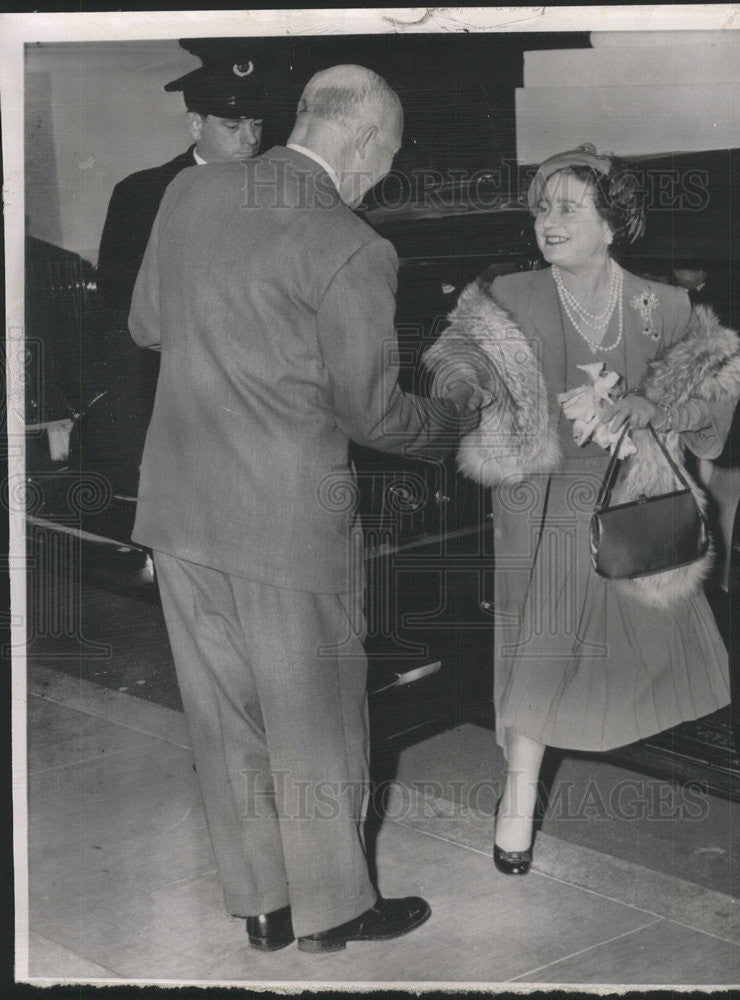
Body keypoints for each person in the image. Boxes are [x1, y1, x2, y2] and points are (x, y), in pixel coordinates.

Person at [128, 65, 485, 952]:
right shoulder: (350, 243)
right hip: (285, 522)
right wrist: (455, 422)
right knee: (318, 719)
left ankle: (261, 907)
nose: (380, 177)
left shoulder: (189, 190)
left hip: (179, 507)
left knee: (226, 719)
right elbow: (372, 414)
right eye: (387, 158)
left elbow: (147, 326)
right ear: (362, 141)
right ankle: (336, 910)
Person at [438, 145, 740, 876]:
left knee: (621, 653)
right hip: (540, 498)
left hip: (629, 496)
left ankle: (539, 780)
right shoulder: (506, 297)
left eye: (568, 207)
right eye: (543, 207)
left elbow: (716, 390)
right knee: (542, 642)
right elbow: (458, 377)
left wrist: (639, 408)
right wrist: (537, 403)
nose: (548, 221)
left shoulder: (663, 304)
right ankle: (517, 799)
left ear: (612, 224)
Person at [87, 44, 276, 498]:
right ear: (196, 124)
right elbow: (121, 309)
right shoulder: (142, 195)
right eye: (232, 125)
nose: (249, 139)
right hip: (177, 397)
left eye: (257, 123)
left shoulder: (280, 189)